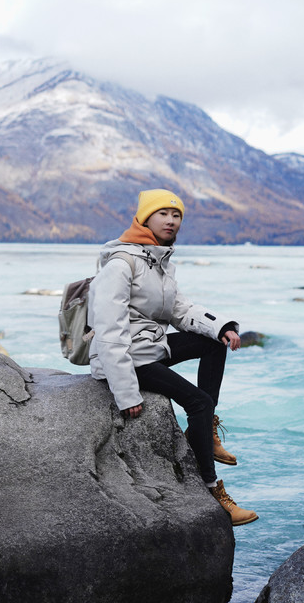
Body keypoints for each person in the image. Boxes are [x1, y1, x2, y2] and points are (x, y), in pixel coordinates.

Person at [87, 189, 258, 526]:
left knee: (212, 344)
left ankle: (205, 432)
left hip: (150, 347)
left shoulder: (157, 261)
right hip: (128, 360)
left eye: (176, 215)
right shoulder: (122, 263)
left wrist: (221, 327)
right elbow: (108, 331)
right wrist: (125, 393)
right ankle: (211, 490)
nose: (170, 220)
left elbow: (179, 308)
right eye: (163, 213)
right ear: (145, 217)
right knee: (198, 402)